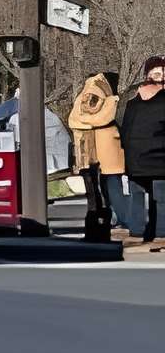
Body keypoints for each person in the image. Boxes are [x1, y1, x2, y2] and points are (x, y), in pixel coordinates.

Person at [69, 71, 126, 242]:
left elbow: (85, 119)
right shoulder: (102, 96)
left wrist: (84, 122)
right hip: (92, 156)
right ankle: (102, 228)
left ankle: (103, 227)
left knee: (100, 194)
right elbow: (79, 119)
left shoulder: (103, 97)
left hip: (95, 156)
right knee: (98, 195)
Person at [117, 57, 165, 249]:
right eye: (159, 73)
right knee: (161, 198)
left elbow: (125, 127)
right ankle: (160, 234)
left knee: (137, 196)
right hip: (159, 157)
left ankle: (138, 232)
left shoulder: (133, 100)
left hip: (135, 157)